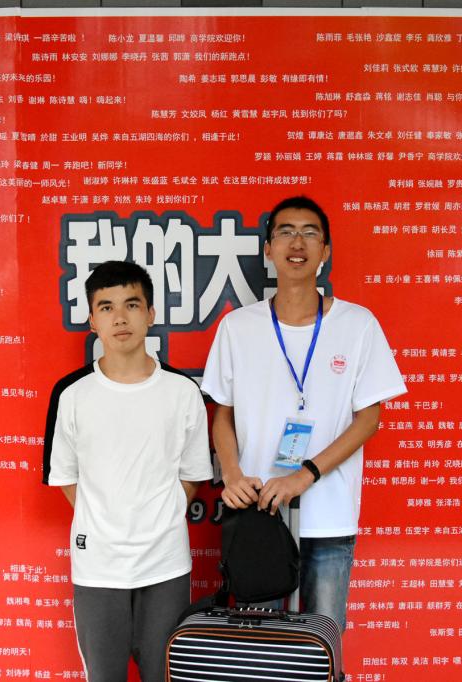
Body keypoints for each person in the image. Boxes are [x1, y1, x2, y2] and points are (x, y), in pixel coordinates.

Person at [201, 195, 406, 631]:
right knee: (262, 650)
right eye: (286, 232)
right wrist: (233, 475)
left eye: (310, 233)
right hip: (259, 515)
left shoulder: (358, 325)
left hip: (328, 517)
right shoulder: (238, 327)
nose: (298, 243)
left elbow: (369, 419)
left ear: (325, 250)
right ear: (268, 249)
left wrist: (305, 475)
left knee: (322, 644)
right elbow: (222, 414)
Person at [43, 260, 213, 682]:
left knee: (164, 674)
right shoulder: (72, 394)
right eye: (107, 307)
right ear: (92, 320)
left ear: (151, 314)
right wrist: (106, 520)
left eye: (132, 305)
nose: (120, 318)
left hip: (165, 564)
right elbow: (65, 476)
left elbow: (193, 474)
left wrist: (160, 514)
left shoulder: (182, 392)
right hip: (98, 567)